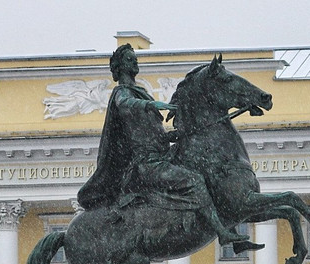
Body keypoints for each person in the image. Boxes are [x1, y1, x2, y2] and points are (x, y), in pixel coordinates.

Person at [77, 44, 258, 250]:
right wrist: (150, 105)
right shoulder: (122, 93)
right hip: (146, 165)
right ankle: (223, 233)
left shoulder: (141, 92)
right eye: (129, 59)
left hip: (161, 156)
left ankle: (233, 233)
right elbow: (124, 103)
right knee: (194, 180)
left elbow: (151, 134)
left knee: (208, 173)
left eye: (135, 58)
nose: (134, 61)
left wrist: (177, 134)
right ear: (120, 67)